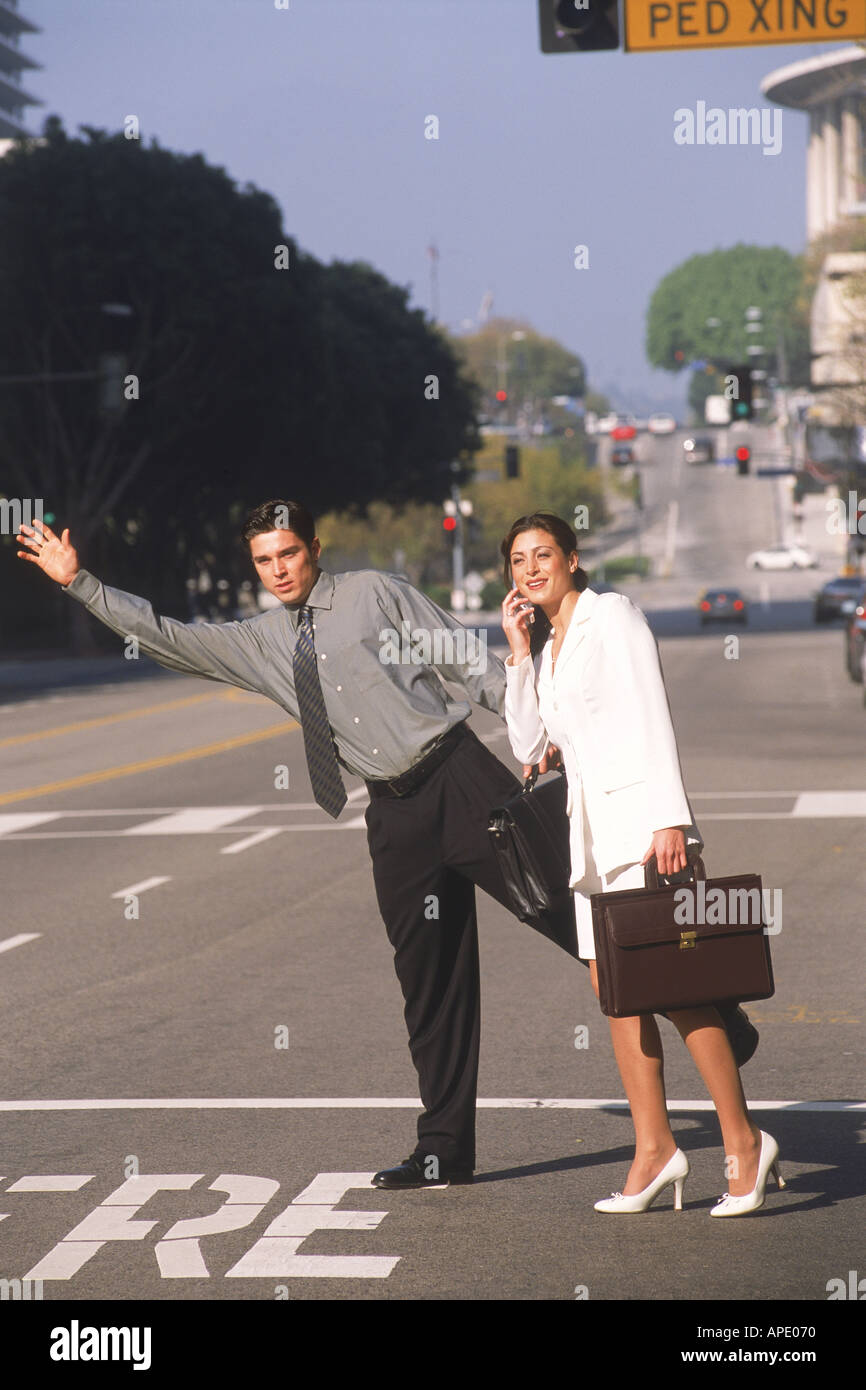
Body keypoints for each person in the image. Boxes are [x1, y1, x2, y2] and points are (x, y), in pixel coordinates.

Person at [16, 499, 569, 1190]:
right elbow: (167, 637)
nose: (279, 570)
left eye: (289, 554)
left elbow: (468, 661)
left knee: (566, 910)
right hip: (392, 814)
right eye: (264, 561)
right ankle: (444, 1149)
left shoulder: (373, 593)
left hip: (459, 777)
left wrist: (543, 735)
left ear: (314, 547)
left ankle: (698, 1005)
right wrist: (80, 582)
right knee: (428, 985)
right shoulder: (260, 642)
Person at [500, 512, 782, 1216]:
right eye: (516, 560)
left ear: (571, 558)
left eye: (542, 555)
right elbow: (529, 744)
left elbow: (651, 712)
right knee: (619, 999)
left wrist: (671, 818)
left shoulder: (612, 616)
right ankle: (655, 1150)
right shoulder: (546, 644)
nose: (530, 569)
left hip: (642, 832)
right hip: (590, 844)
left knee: (681, 988)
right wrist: (515, 653)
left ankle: (743, 1143)